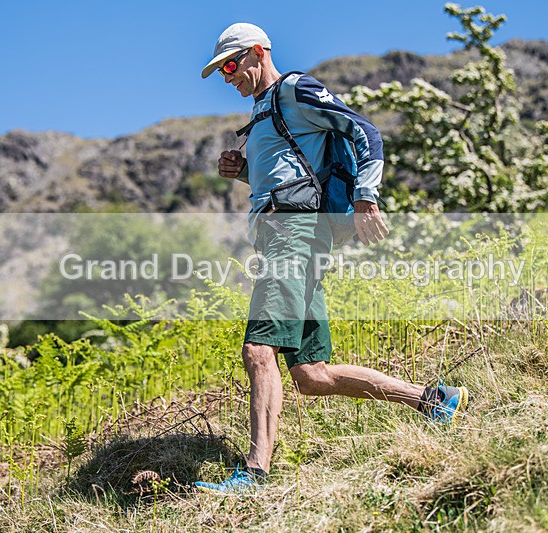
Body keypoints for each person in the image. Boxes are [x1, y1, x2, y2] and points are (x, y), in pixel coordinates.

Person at [195, 23, 469, 493]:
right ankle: (434, 400)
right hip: (291, 236)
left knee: (258, 350)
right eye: (221, 70)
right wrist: (244, 174)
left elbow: (365, 132)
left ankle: (255, 474)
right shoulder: (264, 111)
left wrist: (366, 197)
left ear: (258, 53)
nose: (226, 76)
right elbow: (290, 182)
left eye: (230, 64)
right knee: (311, 376)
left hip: (293, 237)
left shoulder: (293, 89)